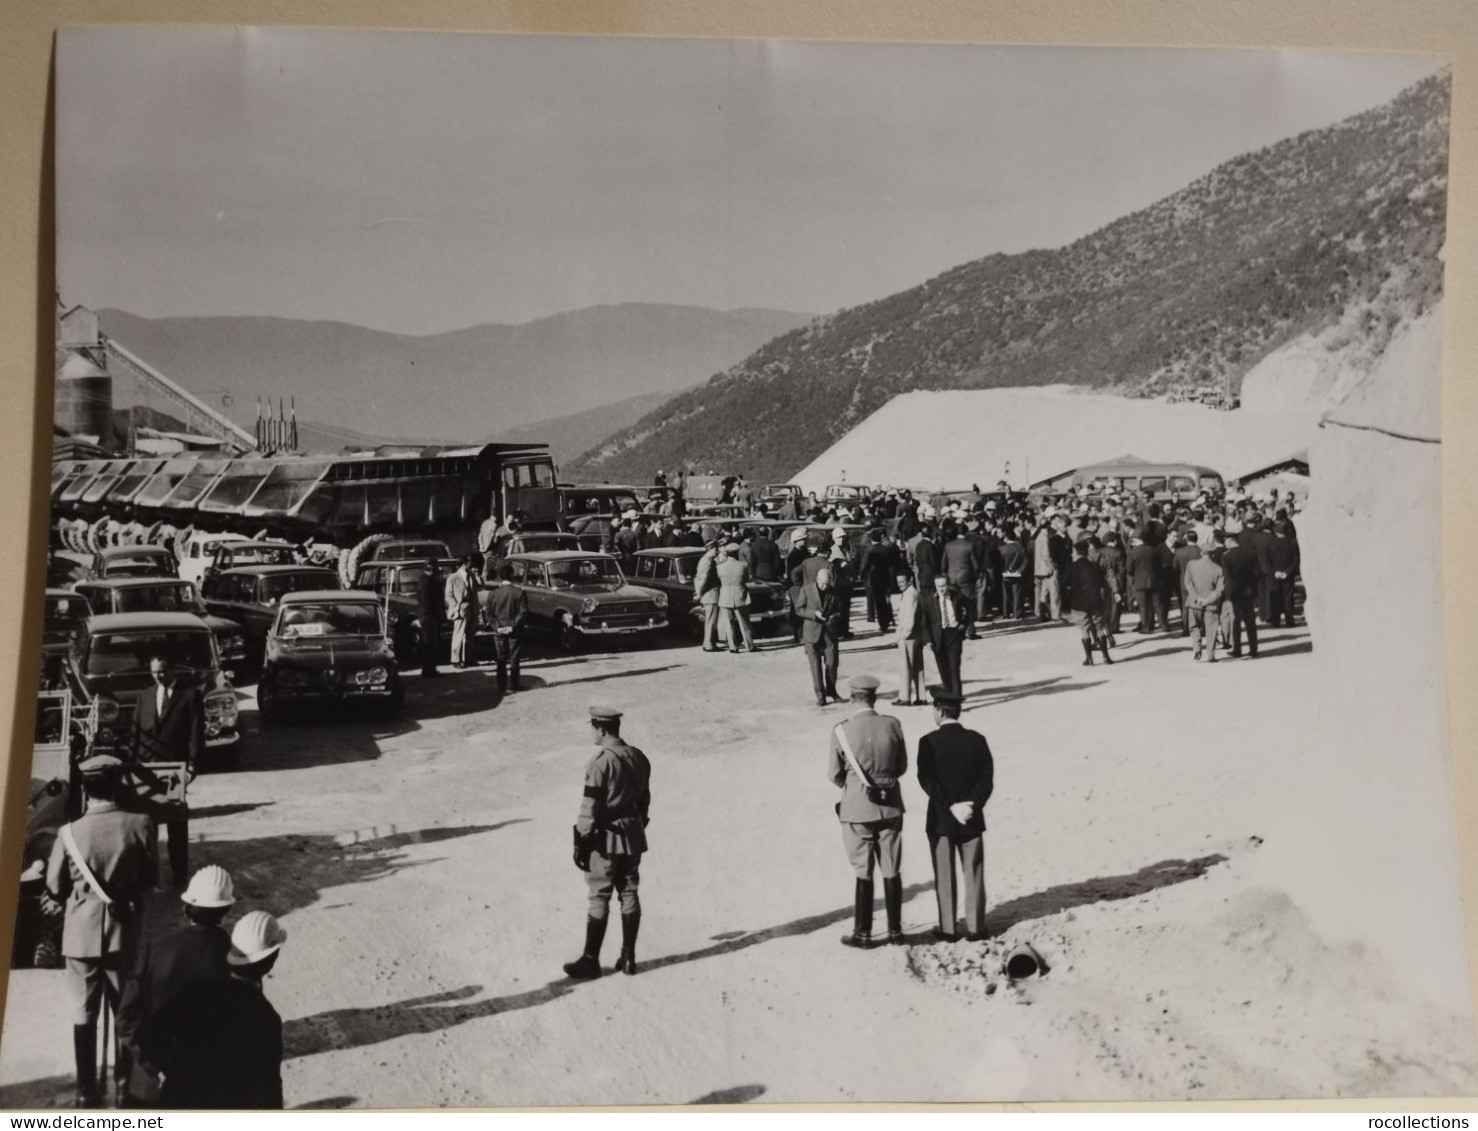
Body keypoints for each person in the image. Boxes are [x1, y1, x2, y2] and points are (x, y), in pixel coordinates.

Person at [43, 755, 158, 1108]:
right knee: (125, 1014)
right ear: (117, 784)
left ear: (86, 789)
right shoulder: (141, 823)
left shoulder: (69, 833)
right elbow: (151, 879)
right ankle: (124, 1091)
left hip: (80, 937)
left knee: (83, 1014)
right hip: (123, 935)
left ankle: (85, 1093)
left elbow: (55, 885)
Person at [136, 911, 288, 1109]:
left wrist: (177, 1071)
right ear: (271, 960)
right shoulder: (266, 1019)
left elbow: (147, 1035)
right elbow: (267, 1097)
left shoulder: (196, 991)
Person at [117, 865, 235, 1106]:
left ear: (186, 909)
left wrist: (150, 1063)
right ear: (227, 910)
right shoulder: (234, 958)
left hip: (153, 1084)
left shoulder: (155, 950)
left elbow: (126, 1017)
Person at [565, 705, 652, 979]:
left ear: (601, 729)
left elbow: (589, 806)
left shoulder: (601, 762)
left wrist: (581, 840)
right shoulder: (639, 757)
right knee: (629, 891)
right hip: (633, 835)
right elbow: (644, 800)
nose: (591, 732)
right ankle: (629, 957)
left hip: (605, 838)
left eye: (592, 727)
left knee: (599, 895)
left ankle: (590, 961)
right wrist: (638, 824)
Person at [828, 675, 908, 947]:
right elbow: (902, 767)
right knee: (891, 869)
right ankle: (896, 932)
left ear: (853, 698)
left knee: (863, 871)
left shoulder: (841, 731)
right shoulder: (892, 725)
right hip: (890, 808)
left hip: (857, 809)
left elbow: (834, 774)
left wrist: (853, 788)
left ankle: (863, 934)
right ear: (875, 697)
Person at [916, 686, 994, 941]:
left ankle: (948, 928)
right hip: (972, 819)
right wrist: (971, 804)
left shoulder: (927, 741)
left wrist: (950, 804)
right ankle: (976, 927)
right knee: (974, 872)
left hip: (941, 819)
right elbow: (986, 778)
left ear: (939, 709)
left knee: (944, 874)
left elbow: (926, 780)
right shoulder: (977, 739)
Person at [132, 654, 200, 886]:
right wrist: (133, 765)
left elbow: (194, 734)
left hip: (174, 771)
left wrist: (191, 766)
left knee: (176, 824)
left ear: (172, 669)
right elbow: (136, 734)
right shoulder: (145, 695)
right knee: (146, 826)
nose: (158, 676)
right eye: (154, 672)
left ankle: (179, 874)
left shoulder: (189, 695)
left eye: (162, 671)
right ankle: (147, 875)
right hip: (146, 769)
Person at [796, 566, 844, 706]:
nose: (825, 586)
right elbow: (799, 609)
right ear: (817, 580)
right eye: (822, 583)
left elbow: (840, 610)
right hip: (812, 634)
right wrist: (813, 614)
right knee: (815, 667)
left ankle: (832, 691)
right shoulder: (806, 589)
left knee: (832, 664)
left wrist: (835, 616)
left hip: (830, 633)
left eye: (827, 583)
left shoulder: (834, 591)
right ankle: (820, 696)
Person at [479, 562, 529, 691]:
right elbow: (523, 612)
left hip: (499, 631)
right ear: (512, 575)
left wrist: (497, 627)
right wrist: (512, 626)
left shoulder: (493, 594)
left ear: (501, 577)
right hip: (515, 631)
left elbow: (489, 613)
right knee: (514, 658)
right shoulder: (519, 593)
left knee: (500, 658)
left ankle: (501, 685)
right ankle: (515, 683)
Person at [1063, 540, 1114, 666]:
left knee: (1084, 629)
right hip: (1095, 601)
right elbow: (1103, 584)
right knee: (1099, 628)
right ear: (1087, 552)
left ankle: (1089, 659)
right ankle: (1106, 656)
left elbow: (1063, 584)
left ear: (1075, 552)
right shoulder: (1095, 566)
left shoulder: (1071, 567)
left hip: (1079, 603)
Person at [919, 574, 969, 696]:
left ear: (948, 585)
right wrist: (928, 640)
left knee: (954, 669)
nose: (941, 589)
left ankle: (956, 699)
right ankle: (950, 695)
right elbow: (924, 622)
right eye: (938, 586)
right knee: (944, 671)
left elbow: (971, 609)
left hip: (954, 635)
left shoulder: (957, 596)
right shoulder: (928, 600)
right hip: (938, 638)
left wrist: (963, 624)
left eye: (943, 586)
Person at [1183, 540, 1227, 662]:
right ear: (1213, 555)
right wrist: (1208, 600)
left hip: (1194, 602)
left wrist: (1196, 597)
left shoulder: (1191, 565)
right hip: (1211, 604)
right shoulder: (1218, 569)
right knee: (1211, 629)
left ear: (1201, 553)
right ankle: (1211, 655)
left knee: (1194, 626)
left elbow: (1188, 583)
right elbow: (1220, 590)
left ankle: (1197, 649)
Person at [1220, 531, 1261, 658]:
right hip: (1248, 592)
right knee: (1250, 621)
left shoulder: (1226, 556)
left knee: (1235, 621)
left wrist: (1236, 589)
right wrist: (1248, 587)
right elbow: (1257, 573)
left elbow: (1228, 577)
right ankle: (1253, 649)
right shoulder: (1250, 553)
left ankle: (1237, 649)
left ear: (1230, 541)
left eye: (1225, 541)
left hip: (1234, 593)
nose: (1224, 543)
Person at [941, 525, 980, 640]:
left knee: (955, 605)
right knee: (969, 605)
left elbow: (943, 563)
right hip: (966, 578)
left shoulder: (948, 545)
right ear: (966, 533)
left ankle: (959, 631)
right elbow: (976, 565)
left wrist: (945, 576)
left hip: (952, 578)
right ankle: (970, 631)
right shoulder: (969, 546)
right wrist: (975, 577)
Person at [716, 542, 755, 653]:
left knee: (729, 623)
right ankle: (749, 645)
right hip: (740, 595)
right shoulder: (743, 565)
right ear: (737, 553)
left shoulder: (720, 567)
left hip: (725, 596)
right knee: (745, 623)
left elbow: (718, 581)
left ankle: (733, 646)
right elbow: (748, 579)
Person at [895, 569, 925, 706]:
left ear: (910, 580)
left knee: (906, 668)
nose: (900, 584)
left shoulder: (911, 595)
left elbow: (910, 617)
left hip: (909, 636)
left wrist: (903, 636)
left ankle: (905, 698)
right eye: (898, 582)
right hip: (913, 635)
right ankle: (921, 697)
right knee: (917, 668)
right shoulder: (909, 593)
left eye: (902, 582)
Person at [444, 555, 478, 669]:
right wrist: (456, 607)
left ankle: (468, 658)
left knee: (470, 634)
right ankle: (455, 659)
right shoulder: (453, 578)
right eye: (470, 562)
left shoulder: (471, 575)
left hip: (471, 606)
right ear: (465, 563)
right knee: (458, 634)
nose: (472, 564)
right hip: (461, 607)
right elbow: (448, 596)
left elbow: (478, 588)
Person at [1266, 520, 1301, 627]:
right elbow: (1296, 560)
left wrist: (1274, 571)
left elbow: (1267, 560)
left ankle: (1275, 621)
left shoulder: (1270, 543)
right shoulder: (1292, 543)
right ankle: (1289, 620)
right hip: (1288, 575)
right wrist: (1287, 572)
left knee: (1276, 597)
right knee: (1288, 597)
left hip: (1274, 574)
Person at [1128, 533, 1164, 634]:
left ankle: (1146, 627)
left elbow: (1129, 569)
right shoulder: (1153, 550)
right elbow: (1159, 564)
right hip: (1154, 580)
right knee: (1157, 604)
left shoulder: (1133, 553)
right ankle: (1164, 625)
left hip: (1140, 582)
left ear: (1137, 541)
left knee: (1143, 606)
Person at [694, 538, 724, 651]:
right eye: (716, 549)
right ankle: (709, 645)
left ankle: (710, 643)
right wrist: (699, 594)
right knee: (711, 621)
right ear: (710, 549)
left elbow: (698, 578)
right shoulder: (708, 561)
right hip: (710, 595)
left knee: (710, 620)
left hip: (708, 595)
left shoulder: (706, 559)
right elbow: (704, 580)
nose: (717, 551)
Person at [1172, 531, 1203, 637]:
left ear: (1187, 539)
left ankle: (1186, 628)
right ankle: (1201, 627)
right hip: (1199, 580)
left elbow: (1175, 567)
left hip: (1184, 579)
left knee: (1185, 604)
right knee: (1200, 603)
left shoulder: (1179, 552)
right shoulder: (1201, 551)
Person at [416, 558, 443, 677]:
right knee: (430, 644)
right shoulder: (427, 581)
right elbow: (427, 601)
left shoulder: (426, 580)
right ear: (431, 568)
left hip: (427, 615)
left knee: (431, 644)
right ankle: (429, 670)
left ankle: (430, 669)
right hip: (429, 616)